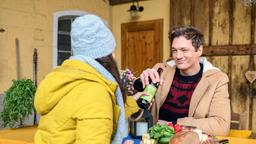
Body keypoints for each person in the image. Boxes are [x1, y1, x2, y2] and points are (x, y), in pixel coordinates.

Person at [34, 14, 141, 144]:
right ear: (105, 55)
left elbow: (91, 113)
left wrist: (134, 101)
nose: (115, 56)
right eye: (112, 51)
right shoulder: (95, 92)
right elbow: (95, 109)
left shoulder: (64, 77)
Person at [138, 26, 231, 136]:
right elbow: (137, 105)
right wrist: (139, 83)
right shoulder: (161, 69)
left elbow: (221, 125)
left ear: (199, 50)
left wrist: (175, 124)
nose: (178, 56)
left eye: (184, 50)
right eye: (174, 50)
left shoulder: (217, 79)